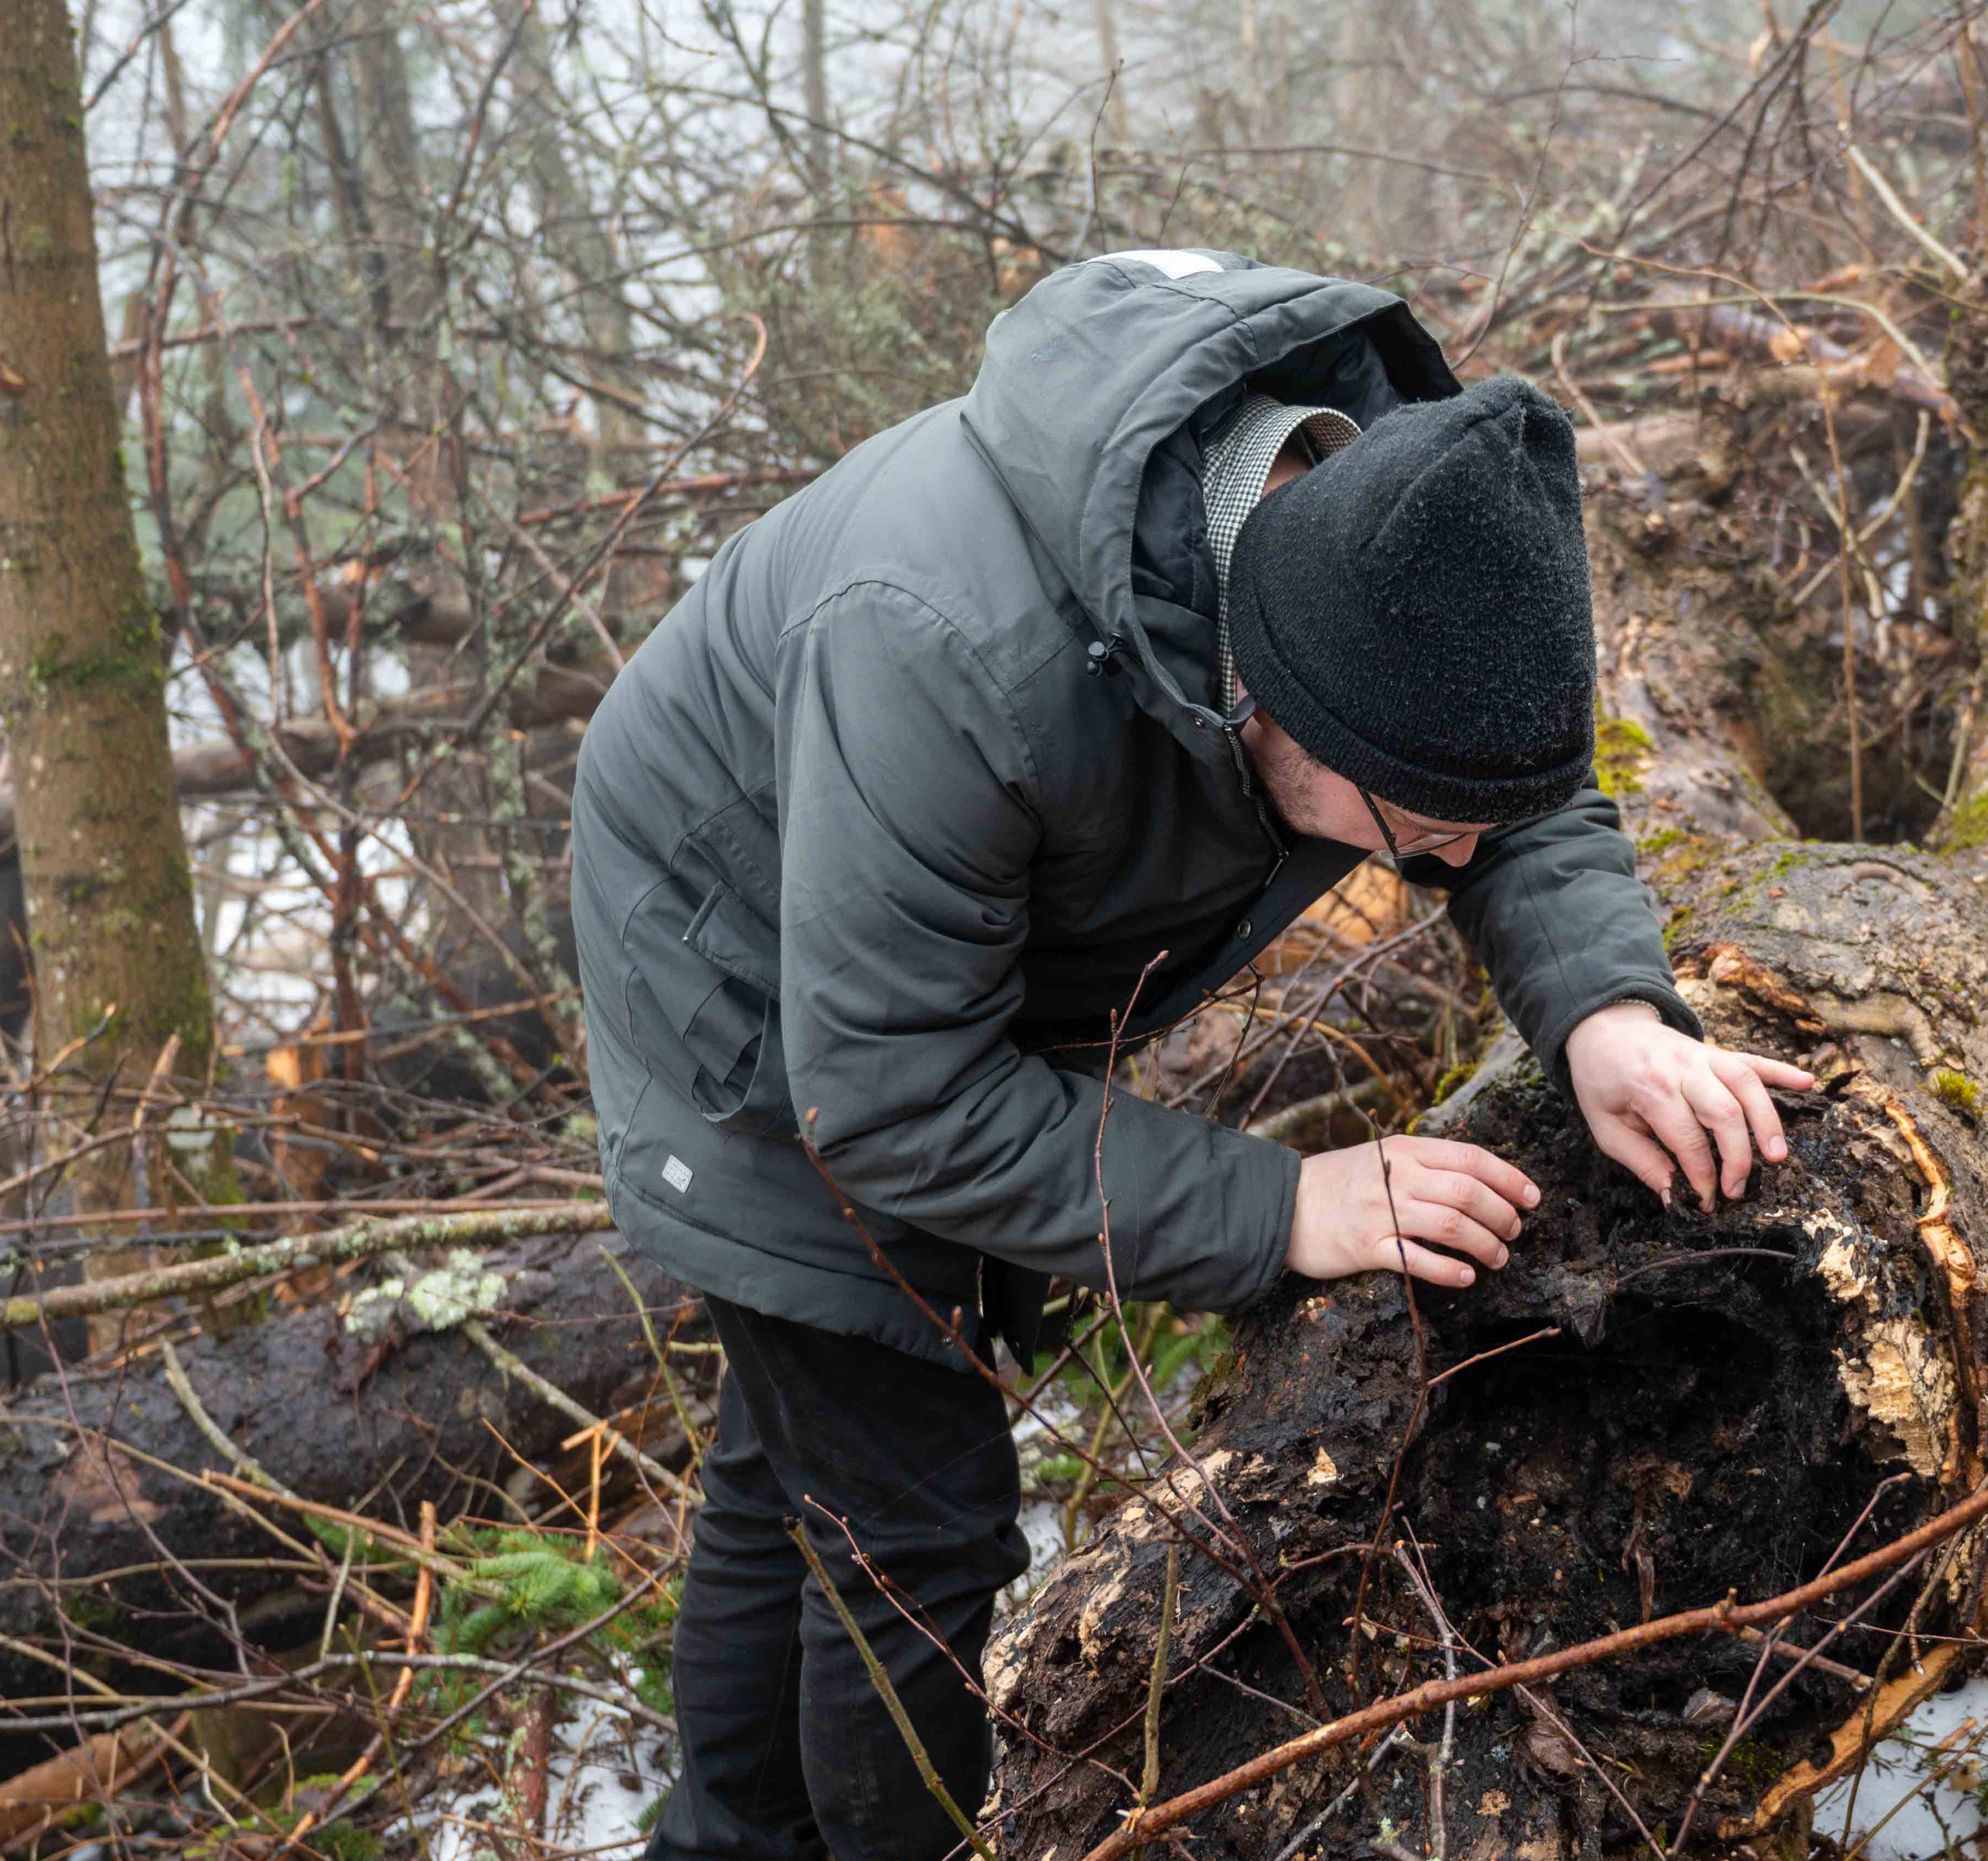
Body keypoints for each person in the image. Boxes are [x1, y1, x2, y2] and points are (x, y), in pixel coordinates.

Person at [569, 249, 1811, 1861]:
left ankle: (719, 1842)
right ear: (1266, 705)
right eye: (1413, 829)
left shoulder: (1407, 543)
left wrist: (1606, 1009)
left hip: (910, 935)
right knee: (909, 1513)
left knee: (799, 1445)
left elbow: (1508, 783)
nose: (1440, 859)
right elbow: (885, 1092)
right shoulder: (955, 656)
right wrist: (1282, 1212)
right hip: (733, 950)